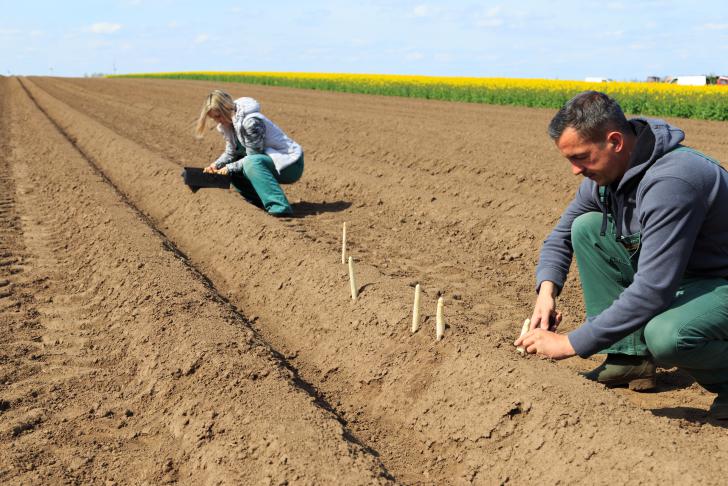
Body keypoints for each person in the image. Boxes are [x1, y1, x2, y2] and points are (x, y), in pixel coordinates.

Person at [514, 91, 728, 419]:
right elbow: (560, 235)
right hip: (688, 273)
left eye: (581, 157)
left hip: (718, 279)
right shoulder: (605, 178)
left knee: (668, 334)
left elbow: (654, 290)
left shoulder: (672, 181)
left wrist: (570, 343)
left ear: (614, 141)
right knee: (586, 228)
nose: (575, 170)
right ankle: (628, 358)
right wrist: (546, 292)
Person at [195, 90, 304, 216]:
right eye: (214, 118)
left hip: (290, 164)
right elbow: (231, 153)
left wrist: (229, 168)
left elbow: (253, 156)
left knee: (249, 163)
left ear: (227, 108)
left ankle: (279, 207)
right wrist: (215, 166)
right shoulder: (227, 124)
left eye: (218, 116)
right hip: (270, 161)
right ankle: (260, 204)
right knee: (234, 169)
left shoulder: (251, 122)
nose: (217, 121)